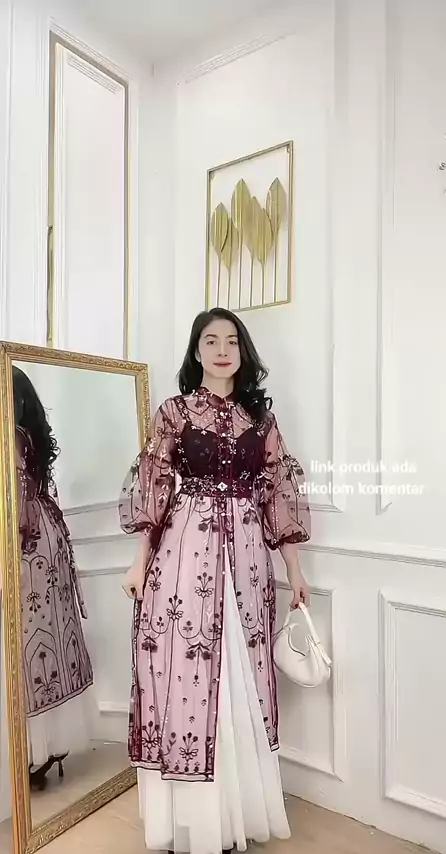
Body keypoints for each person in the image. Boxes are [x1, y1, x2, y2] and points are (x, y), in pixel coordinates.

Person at [119, 307, 311, 854]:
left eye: (231, 341)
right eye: (211, 340)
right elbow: (155, 485)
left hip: (247, 558)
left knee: (240, 673)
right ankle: (194, 821)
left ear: (242, 352)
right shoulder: (174, 412)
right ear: (196, 350)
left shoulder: (262, 422)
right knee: (187, 670)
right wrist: (139, 561)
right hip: (184, 552)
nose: (222, 350)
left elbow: (278, 495)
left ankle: (236, 814)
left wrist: (295, 571)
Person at [12, 367, 94, 788]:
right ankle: (45, 747)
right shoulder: (30, 436)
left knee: (27, 642)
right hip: (47, 537)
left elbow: (13, 495)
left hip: (24, 540)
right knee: (47, 636)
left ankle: (32, 752)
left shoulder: (11, 437)